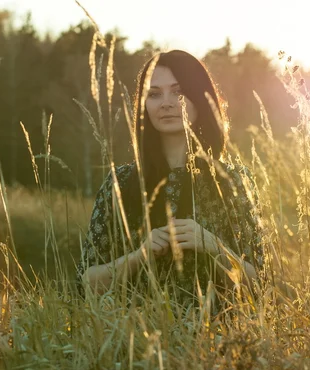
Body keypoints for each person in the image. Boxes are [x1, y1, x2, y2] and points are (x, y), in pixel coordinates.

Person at [77, 50, 263, 305]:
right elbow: (86, 284)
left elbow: (261, 286)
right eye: (154, 94)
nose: (166, 102)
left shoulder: (232, 182)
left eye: (178, 92)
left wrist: (213, 247)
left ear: (200, 97)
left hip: (218, 341)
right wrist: (138, 256)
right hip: (137, 339)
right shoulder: (120, 183)